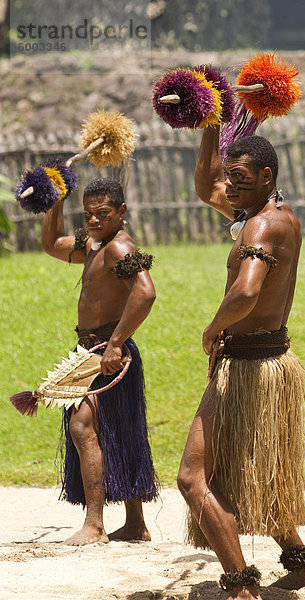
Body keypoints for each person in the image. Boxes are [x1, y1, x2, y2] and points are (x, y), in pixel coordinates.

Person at [177, 127, 305, 598]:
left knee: (192, 478)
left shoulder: (260, 226)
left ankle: (241, 587)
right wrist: (209, 125)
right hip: (268, 361)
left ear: (267, 175)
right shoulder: (272, 215)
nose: (229, 185)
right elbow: (205, 187)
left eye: (239, 177)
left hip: (246, 366)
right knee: (255, 469)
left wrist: (213, 327)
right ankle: (300, 563)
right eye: (229, 175)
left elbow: (245, 290)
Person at [42, 177, 158, 546]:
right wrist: (55, 201)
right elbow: (51, 245)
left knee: (82, 427)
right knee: (121, 431)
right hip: (97, 350)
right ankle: (136, 524)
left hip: (107, 353)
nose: (93, 220)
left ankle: (94, 524)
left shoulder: (118, 247)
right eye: (87, 213)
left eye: (102, 214)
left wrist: (116, 343)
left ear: (121, 212)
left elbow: (145, 291)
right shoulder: (95, 245)